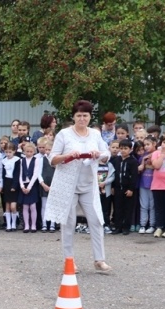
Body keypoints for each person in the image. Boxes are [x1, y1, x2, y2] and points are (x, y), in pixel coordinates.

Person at [46, 99, 112, 273]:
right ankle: (69, 260)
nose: (82, 119)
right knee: (69, 223)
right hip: (68, 185)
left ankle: (99, 259)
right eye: (79, 115)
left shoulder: (95, 134)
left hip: (88, 184)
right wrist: (68, 156)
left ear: (90, 117)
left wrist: (99, 154)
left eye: (85, 115)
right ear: (73, 117)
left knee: (96, 220)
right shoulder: (64, 134)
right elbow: (52, 159)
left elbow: (107, 154)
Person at [111, 139, 139, 235]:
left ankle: (126, 227)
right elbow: (113, 174)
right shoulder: (116, 160)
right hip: (118, 188)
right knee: (118, 208)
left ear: (130, 149)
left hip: (128, 189)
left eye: (125, 148)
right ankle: (117, 226)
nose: (123, 150)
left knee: (127, 208)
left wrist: (131, 189)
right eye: (121, 148)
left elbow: (134, 176)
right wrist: (113, 187)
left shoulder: (133, 161)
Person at [18, 142, 41, 233]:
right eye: (27, 151)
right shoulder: (21, 160)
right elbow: (20, 174)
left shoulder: (36, 160)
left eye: (31, 151)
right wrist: (22, 186)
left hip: (32, 185)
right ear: (24, 151)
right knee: (25, 206)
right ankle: (26, 225)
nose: (29, 153)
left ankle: (34, 225)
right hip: (24, 184)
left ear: (34, 152)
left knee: (32, 206)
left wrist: (29, 187)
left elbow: (35, 174)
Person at [137, 136, 157, 233]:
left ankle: (152, 225)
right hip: (143, 183)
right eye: (145, 145)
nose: (146, 147)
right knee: (144, 205)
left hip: (154, 184)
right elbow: (139, 169)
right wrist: (141, 165)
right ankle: (143, 225)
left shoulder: (157, 155)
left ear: (154, 144)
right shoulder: (143, 157)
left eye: (148, 144)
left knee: (152, 206)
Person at [1, 142, 20, 231]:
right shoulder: (3, 161)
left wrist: (14, 186)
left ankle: (14, 223)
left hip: (14, 183)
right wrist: (2, 186)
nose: (8, 154)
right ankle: (9, 224)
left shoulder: (17, 160)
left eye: (10, 152)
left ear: (14, 151)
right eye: (6, 152)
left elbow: (17, 174)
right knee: (7, 206)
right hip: (6, 183)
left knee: (13, 206)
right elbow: (3, 174)